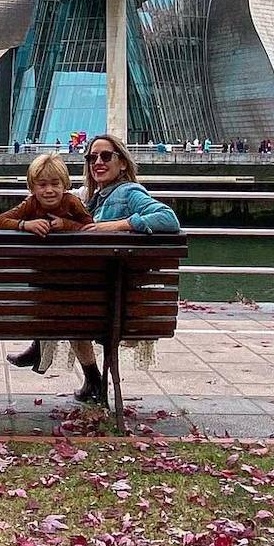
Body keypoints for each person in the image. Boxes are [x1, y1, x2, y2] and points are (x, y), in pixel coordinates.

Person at [72, 133, 181, 402]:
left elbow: (168, 219)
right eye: (92, 157)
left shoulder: (127, 191)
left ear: (122, 163)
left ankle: (90, 378)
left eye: (106, 156)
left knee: (62, 301)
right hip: (114, 302)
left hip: (103, 299)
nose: (97, 161)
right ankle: (93, 382)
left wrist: (115, 226)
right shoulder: (92, 197)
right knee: (67, 302)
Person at [0, 151, 94, 375]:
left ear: (65, 184)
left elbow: (89, 227)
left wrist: (67, 225)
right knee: (42, 301)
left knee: (48, 302)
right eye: (42, 185)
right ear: (32, 187)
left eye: (55, 184)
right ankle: (38, 347)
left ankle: (37, 348)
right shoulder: (31, 205)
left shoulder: (72, 202)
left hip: (70, 275)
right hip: (45, 273)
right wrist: (25, 225)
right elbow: (0, 221)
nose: (49, 190)